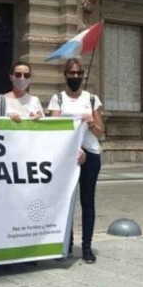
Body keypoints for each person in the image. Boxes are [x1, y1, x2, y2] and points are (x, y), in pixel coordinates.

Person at [47, 57, 104, 263]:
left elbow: (100, 131)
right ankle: (67, 244)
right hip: (67, 156)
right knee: (66, 200)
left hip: (90, 154)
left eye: (79, 73)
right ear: (65, 75)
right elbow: (53, 128)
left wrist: (92, 123)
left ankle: (87, 246)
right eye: (72, 73)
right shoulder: (58, 99)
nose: (76, 76)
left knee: (87, 200)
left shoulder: (92, 99)